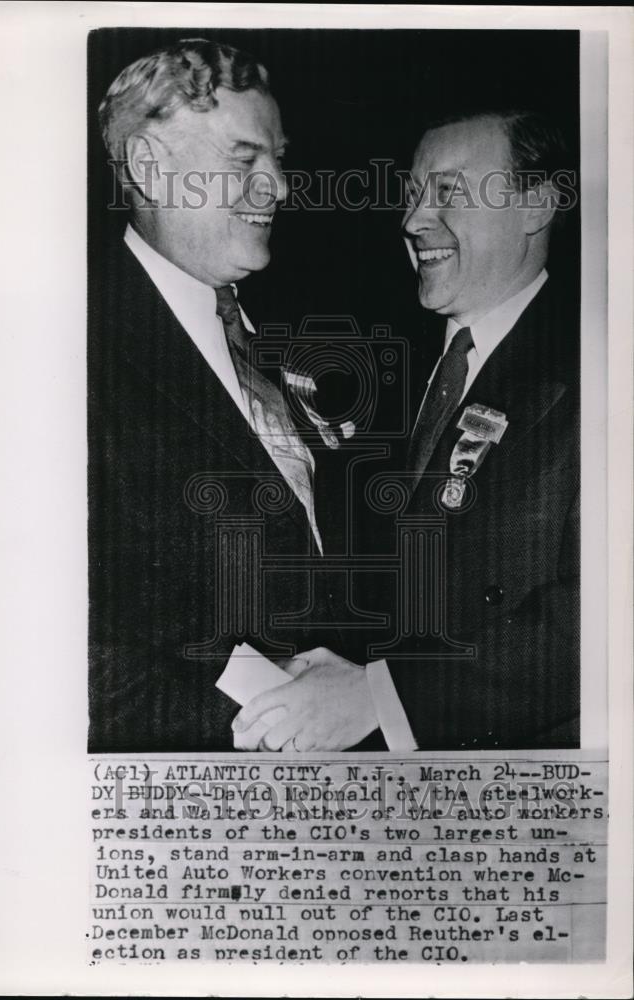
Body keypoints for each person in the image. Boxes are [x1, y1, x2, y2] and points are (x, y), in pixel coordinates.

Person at [236, 110, 580, 750]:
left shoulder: (601, 373)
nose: (413, 220)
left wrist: (384, 695)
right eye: (412, 194)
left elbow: (604, 618)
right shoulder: (382, 370)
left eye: (448, 191)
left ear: (537, 204)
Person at [88, 39, 343, 751]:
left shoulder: (286, 338)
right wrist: (281, 723)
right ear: (149, 165)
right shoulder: (76, 351)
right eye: (244, 161)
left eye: (279, 159)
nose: (280, 188)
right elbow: (75, 645)